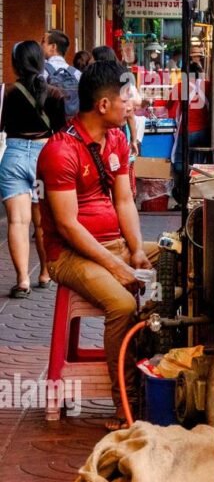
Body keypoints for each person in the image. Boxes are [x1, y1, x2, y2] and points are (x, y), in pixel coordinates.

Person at [37, 61, 160, 430]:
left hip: (115, 245)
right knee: (122, 305)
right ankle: (127, 404)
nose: (134, 103)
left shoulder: (118, 139)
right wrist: (116, 265)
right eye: (128, 96)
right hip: (71, 255)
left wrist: (136, 248)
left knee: (180, 256)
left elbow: (124, 201)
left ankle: (165, 374)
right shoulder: (60, 152)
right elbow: (67, 225)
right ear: (104, 105)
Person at [0, 41, 66, 297]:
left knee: (17, 221)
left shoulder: (5, 92)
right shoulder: (55, 94)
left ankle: (22, 280)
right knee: (41, 223)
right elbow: (60, 133)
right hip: (44, 160)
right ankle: (45, 273)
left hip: (14, 157)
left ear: (16, 63)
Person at [42, 29, 80, 117]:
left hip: (50, 124)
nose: (41, 45)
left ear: (53, 47)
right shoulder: (77, 74)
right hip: (71, 124)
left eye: (43, 41)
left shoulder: (42, 71)